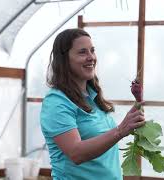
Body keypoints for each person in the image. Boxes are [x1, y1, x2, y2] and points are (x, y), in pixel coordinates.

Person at [40, 28, 145, 180]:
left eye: (92, 51)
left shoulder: (93, 97)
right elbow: (76, 153)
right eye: (82, 52)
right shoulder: (56, 102)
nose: (91, 57)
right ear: (64, 59)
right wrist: (121, 130)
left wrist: (136, 112)